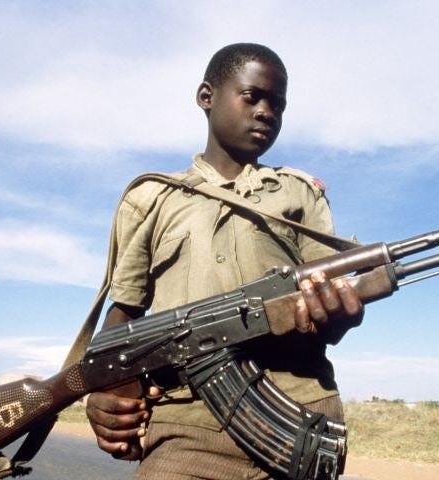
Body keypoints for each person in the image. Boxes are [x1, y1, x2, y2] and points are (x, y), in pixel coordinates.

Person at [86, 43, 364, 479]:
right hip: (184, 430)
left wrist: (339, 314)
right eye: (252, 97)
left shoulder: (299, 193)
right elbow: (123, 312)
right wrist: (100, 391)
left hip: (298, 423)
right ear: (206, 96)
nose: (266, 112)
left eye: (278, 104)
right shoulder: (154, 199)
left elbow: (331, 297)